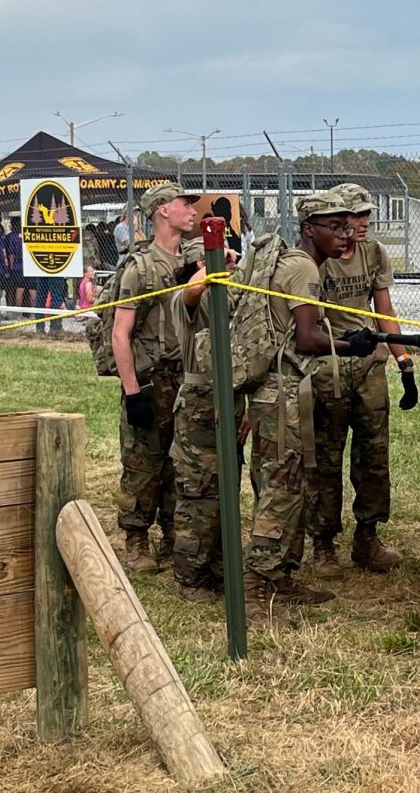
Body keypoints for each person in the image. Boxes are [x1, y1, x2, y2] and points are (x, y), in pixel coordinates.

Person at [242, 192, 377, 629]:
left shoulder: (298, 265)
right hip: (282, 394)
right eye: (333, 226)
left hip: (281, 390)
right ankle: (254, 592)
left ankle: (283, 578)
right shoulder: (302, 267)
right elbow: (306, 338)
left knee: (291, 485)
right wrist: (349, 344)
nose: (344, 234)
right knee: (281, 490)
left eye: (346, 225)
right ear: (308, 229)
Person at [307, 183, 410, 576]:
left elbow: (383, 307)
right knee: (326, 455)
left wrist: (403, 361)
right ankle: (323, 543)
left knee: (373, 455)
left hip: (369, 365)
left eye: (367, 215)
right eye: (356, 216)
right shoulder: (318, 258)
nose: (364, 223)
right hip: (330, 364)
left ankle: (367, 536)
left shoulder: (375, 253)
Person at [112, 182, 199, 574]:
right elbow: (120, 332)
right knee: (143, 461)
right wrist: (133, 392)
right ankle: (135, 539)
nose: (192, 211)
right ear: (163, 210)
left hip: (183, 376)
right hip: (150, 377)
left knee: (178, 461)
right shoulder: (140, 266)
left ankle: (171, 532)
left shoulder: (190, 262)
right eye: (185, 204)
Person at [167, 240, 246, 603]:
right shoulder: (187, 300)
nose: (232, 261)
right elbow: (192, 290)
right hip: (199, 408)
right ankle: (190, 577)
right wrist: (214, 262)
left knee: (224, 490)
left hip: (228, 402)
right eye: (222, 257)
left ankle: (217, 567)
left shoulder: (226, 297)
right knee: (198, 495)